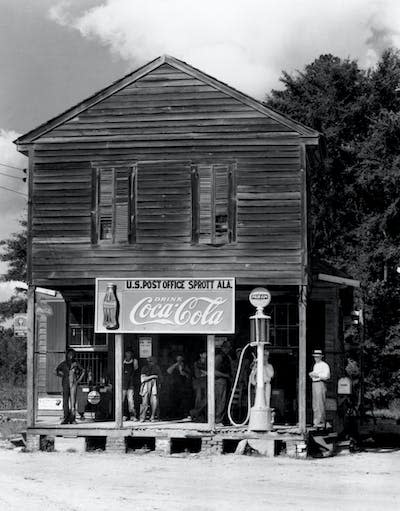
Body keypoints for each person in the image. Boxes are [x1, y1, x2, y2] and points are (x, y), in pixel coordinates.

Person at [56, 348, 84, 424]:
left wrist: (78, 380)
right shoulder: (63, 364)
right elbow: (56, 371)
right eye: (69, 354)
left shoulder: (76, 363)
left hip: (73, 384)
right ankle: (66, 418)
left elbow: (83, 371)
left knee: (73, 402)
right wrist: (62, 375)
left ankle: (73, 418)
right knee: (65, 402)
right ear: (67, 355)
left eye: (72, 354)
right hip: (65, 384)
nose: (71, 356)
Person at [309, 349, 331, 428]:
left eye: (318, 357)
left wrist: (317, 376)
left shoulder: (324, 365)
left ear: (321, 357)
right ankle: (316, 421)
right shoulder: (315, 365)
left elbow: (327, 376)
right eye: (315, 357)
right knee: (315, 404)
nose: (316, 358)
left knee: (320, 403)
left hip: (320, 383)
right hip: (314, 383)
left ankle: (321, 421)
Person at [167, 355, 192, 419]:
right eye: (178, 359)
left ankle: (183, 414)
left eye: (181, 359)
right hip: (174, 385)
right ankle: (173, 415)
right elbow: (168, 371)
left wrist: (182, 371)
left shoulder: (185, 366)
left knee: (183, 400)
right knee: (173, 400)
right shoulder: (173, 365)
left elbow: (189, 375)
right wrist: (176, 365)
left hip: (183, 385)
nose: (179, 361)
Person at [140, 356, 163, 422]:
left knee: (154, 401)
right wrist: (153, 376)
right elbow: (142, 379)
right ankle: (142, 417)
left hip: (155, 385)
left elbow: (161, 378)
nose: (150, 363)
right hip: (146, 385)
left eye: (152, 361)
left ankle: (153, 416)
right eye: (149, 361)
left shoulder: (157, 368)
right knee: (144, 401)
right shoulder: (144, 368)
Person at [214, 341, 231, 426]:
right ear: (223, 348)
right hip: (220, 381)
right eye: (226, 347)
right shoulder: (219, 357)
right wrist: (226, 375)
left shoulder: (227, 357)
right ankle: (217, 420)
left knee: (223, 401)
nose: (228, 349)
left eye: (229, 348)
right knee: (220, 401)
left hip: (224, 381)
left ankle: (221, 419)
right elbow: (214, 371)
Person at [122, 348, 139, 421]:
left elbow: (136, 370)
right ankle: (123, 415)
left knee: (131, 400)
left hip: (131, 383)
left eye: (129, 353)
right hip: (123, 383)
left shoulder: (134, 361)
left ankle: (132, 415)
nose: (128, 354)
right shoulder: (122, 361)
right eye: (127, 353)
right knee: (122, 400)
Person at [191, 351, 207, 421]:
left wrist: (204, 373)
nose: (205, 355)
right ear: (200, 355)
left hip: (205, 383)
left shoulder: (208, 362)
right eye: (204, 353)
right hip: (198, 384)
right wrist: (206, 373)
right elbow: (197, 374)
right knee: (198, 399)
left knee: (205, 399)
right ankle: (196, 414)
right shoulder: (197, 363)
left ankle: (196, 413)